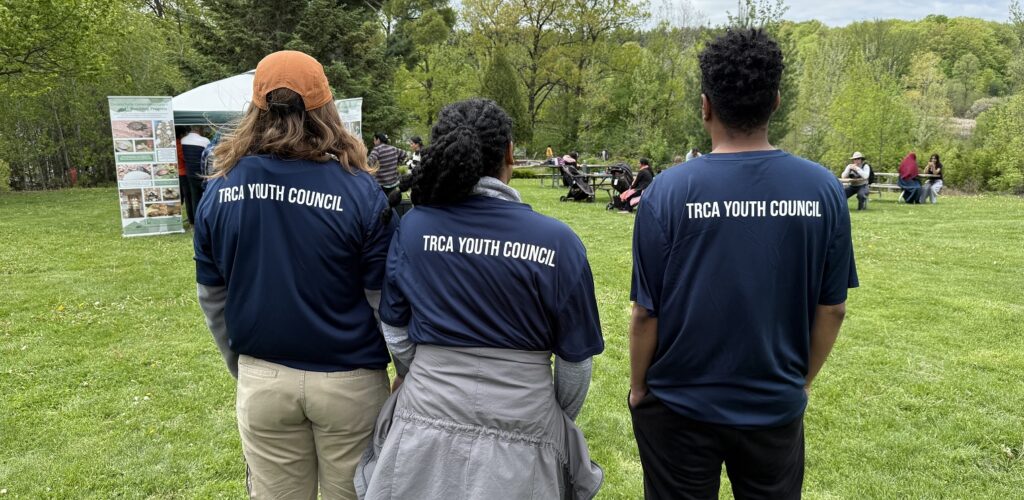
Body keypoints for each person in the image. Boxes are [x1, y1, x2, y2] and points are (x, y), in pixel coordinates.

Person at [628, 28, 857, 500]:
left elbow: (646, 313)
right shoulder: (822, 190)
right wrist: (800, 384)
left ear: (705, 106)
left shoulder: (667, 191)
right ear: (776, 102)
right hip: (773, 404)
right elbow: (832, 308)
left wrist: (637, 388)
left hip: (679, 405)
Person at [356, 98, 605, 499]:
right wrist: (544, 412)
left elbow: (395, 329)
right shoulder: (559, 242)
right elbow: (576, 363)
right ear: (510, 153)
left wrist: (427, 373)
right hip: (524, 432)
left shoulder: (414, 228)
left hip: (423, 422)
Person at [193, 50, 395, 499]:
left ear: (256, 108)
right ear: (326, 107)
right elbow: (383, 300)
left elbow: (213, 298)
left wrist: (243, 365)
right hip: (350, 382)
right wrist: (401, 367)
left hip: (264, 378)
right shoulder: (358, 189)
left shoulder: (221, 187)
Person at [181, 126, 210, 221]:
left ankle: (195, 220)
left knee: (194, 197)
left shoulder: (183, 140)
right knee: (206, 197)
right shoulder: (205, 141)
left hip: (190, 173)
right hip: (203, 174)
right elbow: (208, 157)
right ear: (200, 129)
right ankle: (205, 218)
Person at [175, 127, 194, 225]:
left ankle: (187, 217)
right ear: (181, 134)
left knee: (182, 196)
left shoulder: (176, 143)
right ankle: (191, 219)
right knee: (187, 196)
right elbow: (185, 157)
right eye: (185, 134)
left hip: (179, 172)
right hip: (183, 173)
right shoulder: (178, 144)